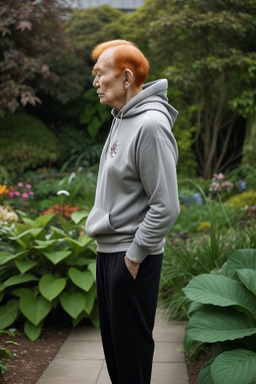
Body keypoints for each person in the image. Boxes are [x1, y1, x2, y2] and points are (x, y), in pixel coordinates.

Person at [85, 39, 180, 384]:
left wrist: (135, 255)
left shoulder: (151, 126)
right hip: (110, 252)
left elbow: (166, 205)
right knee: (117, 356)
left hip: (131, 256)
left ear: (126, 78)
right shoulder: (121, 118)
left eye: (100, 74)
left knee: (132, 358)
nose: (95, 82)